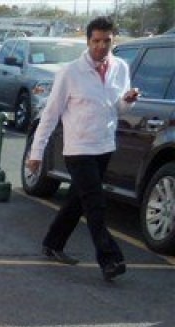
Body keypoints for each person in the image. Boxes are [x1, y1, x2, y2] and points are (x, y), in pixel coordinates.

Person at [25, 17, 140, 281]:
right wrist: (36, 153)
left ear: (114, 40)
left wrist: (128, 101)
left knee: (79, 199)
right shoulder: (70, 72)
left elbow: (117, 108)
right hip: (78, 148)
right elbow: (50, 114)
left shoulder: (120, 67)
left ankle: (53, 243)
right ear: (88, 41)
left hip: (104, 145)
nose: (101, 46)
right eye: (96, 41)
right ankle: (109, 259)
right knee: (95, 204)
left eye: (107, 41)